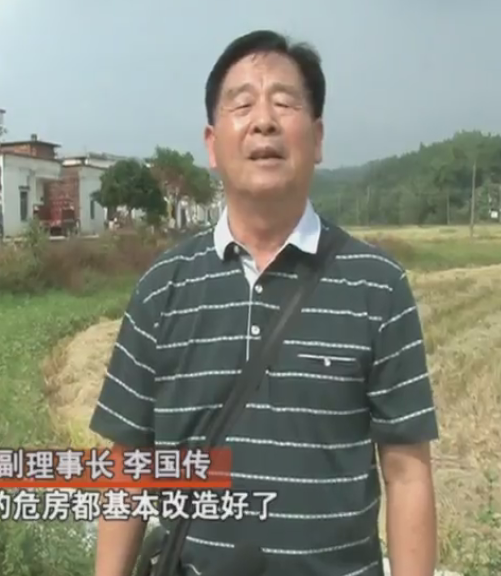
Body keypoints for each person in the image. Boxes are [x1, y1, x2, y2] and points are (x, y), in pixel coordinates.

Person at [90, 30, 438, 576]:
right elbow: (127, 468)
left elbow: (408, 474)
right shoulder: (162, 288)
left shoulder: (377, 287)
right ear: (212, 144)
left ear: (317, 138)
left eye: (284, 102)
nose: (264, 122)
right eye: (242, 104)